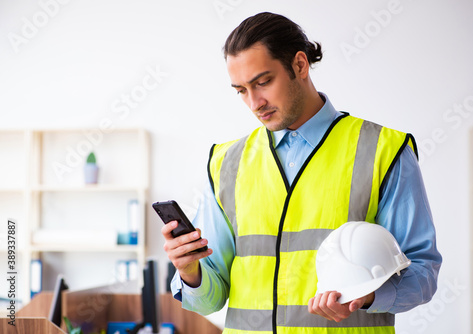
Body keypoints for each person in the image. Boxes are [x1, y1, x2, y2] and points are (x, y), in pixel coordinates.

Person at [162, 12, 442, 333]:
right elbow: (209, 300)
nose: (255, 102)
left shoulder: (384, 150)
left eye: (263, 82)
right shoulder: (226, 162)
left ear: (299, 65)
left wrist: (366, 296)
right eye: (241, 90)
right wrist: (190, 271)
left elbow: (423, 273)